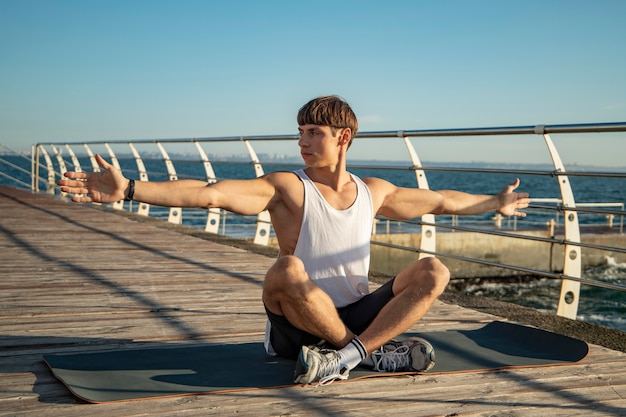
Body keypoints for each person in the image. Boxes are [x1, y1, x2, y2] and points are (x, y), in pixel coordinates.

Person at [58, 95, 530, 385]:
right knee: (286, 270)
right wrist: (131, 190)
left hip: (351, 315)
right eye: (300, 132)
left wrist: (495, 203)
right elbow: (211, 194)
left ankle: (345, 357)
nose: (303, 141)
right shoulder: (287, 187)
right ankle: (368, 356)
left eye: (314, 132)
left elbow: (442, 201)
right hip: (297, 330)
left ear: (343, 137)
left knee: (433, 270)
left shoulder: (373, 191)